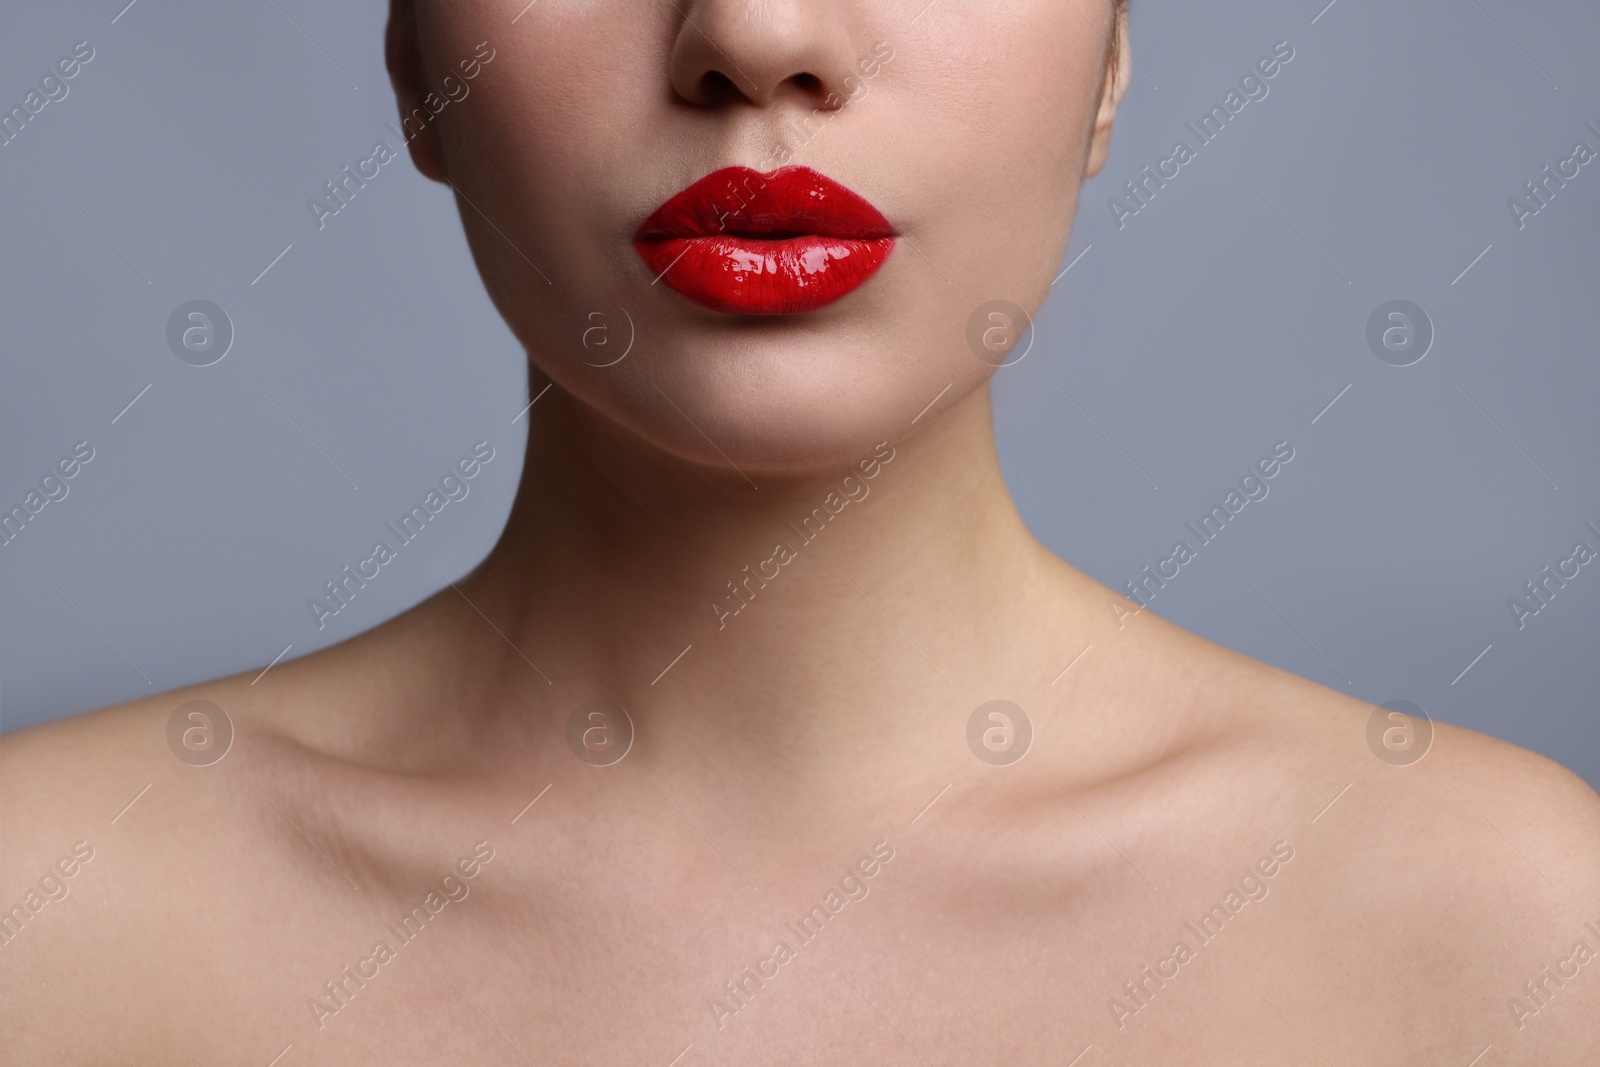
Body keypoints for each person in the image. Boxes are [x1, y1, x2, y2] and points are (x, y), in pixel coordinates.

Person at [4, 1, 1597, 1062]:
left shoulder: (1510, 935)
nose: (755, 37)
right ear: (416, 65)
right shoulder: (41, 923)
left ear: (1113, 58)